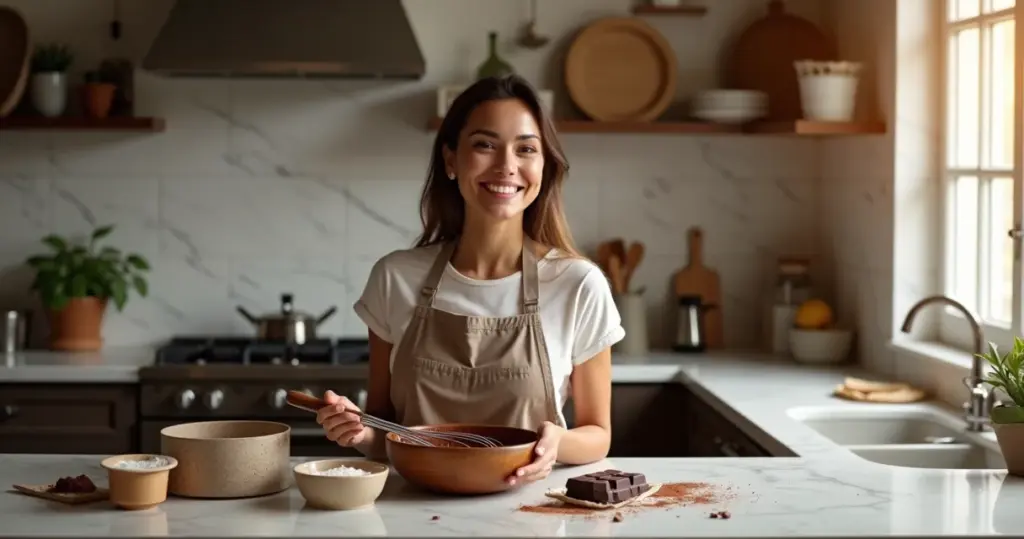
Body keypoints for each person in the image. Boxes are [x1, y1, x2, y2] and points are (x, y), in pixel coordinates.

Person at [316, 74, 625, 486]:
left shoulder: (578, 285)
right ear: (450, 159)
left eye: (526, 149)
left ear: (544, 166)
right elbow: (386, 432)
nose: (506, 166)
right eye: (485, 145)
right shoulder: (395, 278)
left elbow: (597, 436)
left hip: (532, 513)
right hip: (413, 514)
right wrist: (358, 431)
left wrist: (558, 441)